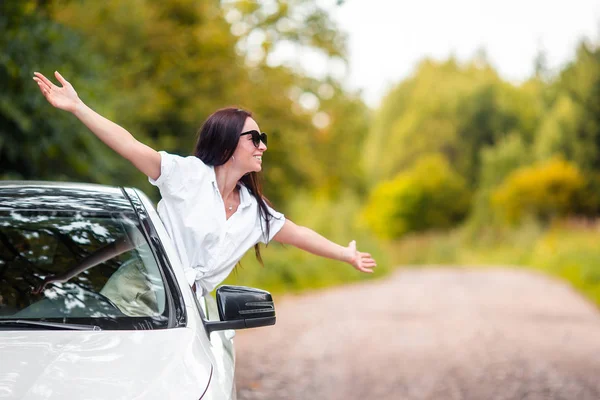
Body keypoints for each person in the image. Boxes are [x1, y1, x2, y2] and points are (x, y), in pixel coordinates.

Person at [33, 71, 377, 296]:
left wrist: (345, 254)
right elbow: (129, 145)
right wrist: (78, 107)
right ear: (228, 143)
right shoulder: (187, 176)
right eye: (254, 138)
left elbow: (300, 234)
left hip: (190, 313)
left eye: (264, 138)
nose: (263, 146)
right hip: (134, 297)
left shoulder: (254, 212)